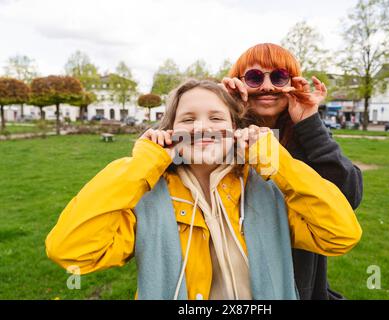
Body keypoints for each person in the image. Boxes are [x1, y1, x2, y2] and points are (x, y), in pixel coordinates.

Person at [46, 79, 361, 300]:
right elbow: (71, 251)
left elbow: (340, 235)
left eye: (215, 117)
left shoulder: (268, 187)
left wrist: (277, 160)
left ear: (236, 130)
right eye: (187, 119)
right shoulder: (147, 198)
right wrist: (143, 163)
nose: (201, 127)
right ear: (168, 132)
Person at [222, 43, 363, 300]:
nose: (266, 86)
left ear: (293, 84)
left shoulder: (307, 136)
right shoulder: (224, 132)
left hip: (302, 284)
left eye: (278, 77)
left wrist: (309, 121)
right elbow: (175, 151)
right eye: (254, 78)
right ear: (238, 82)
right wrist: (223, 111)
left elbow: (348, 198)